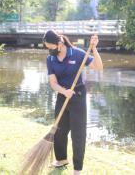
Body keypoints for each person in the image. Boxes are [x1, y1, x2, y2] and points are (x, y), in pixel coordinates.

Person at [43, 30, 103, 175]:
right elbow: (53, 82)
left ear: (59, 44)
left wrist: (94, 48)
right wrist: (64, 92)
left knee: (78, 134)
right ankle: (61, 159)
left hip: (78, 96)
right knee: (59, 130)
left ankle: (77, 168)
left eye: (50, 47)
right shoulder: (50, 59)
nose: (49, 50)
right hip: (62, 95)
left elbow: (98, 67)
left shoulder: (77, 53)